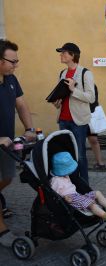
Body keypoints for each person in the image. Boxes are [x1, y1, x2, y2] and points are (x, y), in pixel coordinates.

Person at [0, 39, 36, 248]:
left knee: (7, 177)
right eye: (12, 61)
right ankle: (2, 230)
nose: (16, 65)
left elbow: (21, 104)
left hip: (6, 145)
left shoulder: (11, 79)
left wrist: (30, 130)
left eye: (17, 61)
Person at [52, 42, 95, 183]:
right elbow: (62, 95)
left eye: (64, 53)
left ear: (72, 55)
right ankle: (70, 185)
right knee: (66, 155)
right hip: (63, 120)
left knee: (80, 155)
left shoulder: (85, 73)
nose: (61, 55)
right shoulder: (62, 73)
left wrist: (73, 90)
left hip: (78, 121)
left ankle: (84, 186)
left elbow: (91, 97)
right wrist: (56, 101)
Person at [50, 151, 106, 227]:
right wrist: (65, 198)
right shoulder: (56, 180)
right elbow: (55, 194)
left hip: (78, 196)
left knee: (97, 193)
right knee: (91, 204)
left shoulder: (66, 175)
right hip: (71, 199)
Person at [87, 86, 106, 169]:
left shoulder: (92, 86)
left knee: (93, 139)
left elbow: (93, 101)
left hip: (91, 115)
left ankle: (100, 162)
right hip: (79, 115)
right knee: (78, 141)